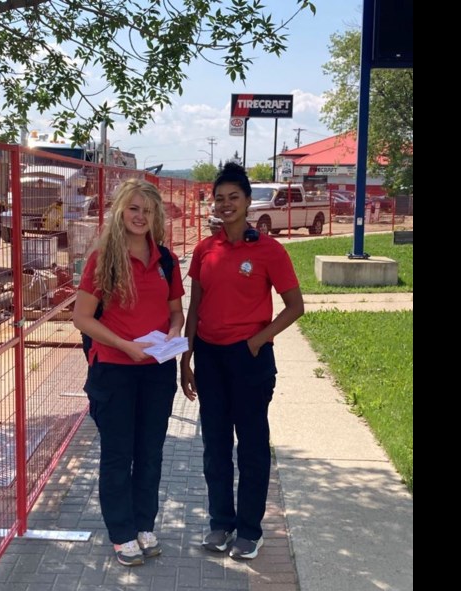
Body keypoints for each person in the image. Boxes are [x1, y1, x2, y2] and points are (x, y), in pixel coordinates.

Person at [180, 162, 304, 560]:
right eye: (220, 198)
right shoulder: (204, 250)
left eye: (235, 197)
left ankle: (250, 529)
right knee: (215, 444)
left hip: (250, 358)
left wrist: (258, 340)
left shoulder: (268, 250)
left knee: (251, 445)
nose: (227, 204)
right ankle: (221, 523)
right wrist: (187, 359)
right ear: (212, 203)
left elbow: (295, 307)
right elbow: (194, 308)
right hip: (210, 359)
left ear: (248, 201)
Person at [73, 178, 185, 567]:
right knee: (119, 455)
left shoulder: (165, 260)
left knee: (150, 452)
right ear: (121, 210)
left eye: (148, 210)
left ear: (156, 217)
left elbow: (176, 310)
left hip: (156, 371)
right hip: (115, 372)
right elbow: (82, 318)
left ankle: (144, 525)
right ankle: (121, 533)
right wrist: (125, 345)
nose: (140, 216)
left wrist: (174, 332)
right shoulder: (103, 259)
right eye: (134, 208)